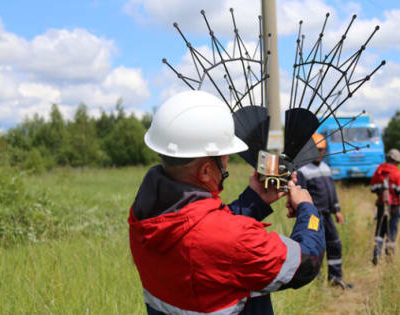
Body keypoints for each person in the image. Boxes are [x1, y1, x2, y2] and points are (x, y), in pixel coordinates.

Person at [128, 90, 325, 315]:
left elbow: (200, 233)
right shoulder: (235, 241)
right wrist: (307, 210)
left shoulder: (145, 217)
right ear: (204, 171)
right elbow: (305, 262)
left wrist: (254, 200)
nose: (227, 164)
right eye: (224, 158)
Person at [297, 133, 353, 290]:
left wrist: (337, 210)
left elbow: (332, 192)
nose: (320, 153)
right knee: (316, 247)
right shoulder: (303, 171)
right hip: (313, 217)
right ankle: (317, 282)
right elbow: (301, 195)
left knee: (335, 244)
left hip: (327, 215)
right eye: (317, 150)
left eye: (322, 150)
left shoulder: (326, 168)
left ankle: (335, 278)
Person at [370, 148, 400, 265]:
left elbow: (372, 188)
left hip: (381, 206)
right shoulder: (397, 173)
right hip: (394, 207)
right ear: (396, 161)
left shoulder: (379, 171)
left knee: (380, 231)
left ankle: (376, 254)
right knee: (391, 231)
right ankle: (389, 258)